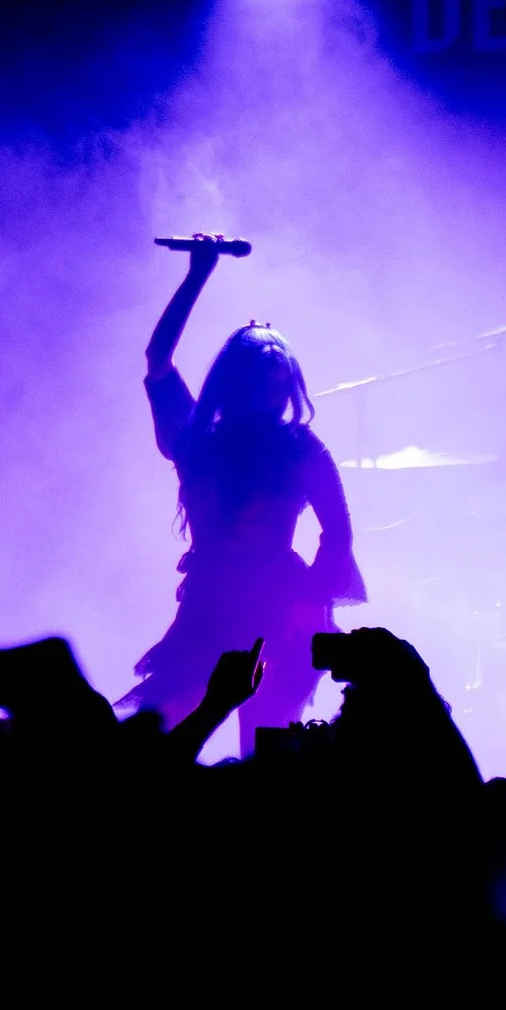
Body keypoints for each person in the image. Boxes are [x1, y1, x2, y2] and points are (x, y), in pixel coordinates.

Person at [124, 239, 364, 752]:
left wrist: (197, 274)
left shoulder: (203, 440)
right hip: (252, 603)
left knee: (177, 737)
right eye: (269, 384)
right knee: (252, 745)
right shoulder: (252, 443)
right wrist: (312, 596)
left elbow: (158, 357)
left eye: (278, 386)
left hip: (247, 605)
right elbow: (339, 530)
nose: (273, 395)